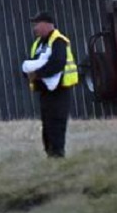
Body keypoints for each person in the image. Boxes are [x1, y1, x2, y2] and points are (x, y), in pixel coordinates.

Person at [22, 11, 79, 158]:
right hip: (45, 91)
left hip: (59, 90)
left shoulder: (58, 41)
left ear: (47, 25)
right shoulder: (38, 43)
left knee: (57, 122)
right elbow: (32, 63)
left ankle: (58, 154)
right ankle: (49, 152)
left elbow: (57, 63)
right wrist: (28, 74)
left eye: (37, 24)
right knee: (47, 123)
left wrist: (38, 74)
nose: (35, 28)